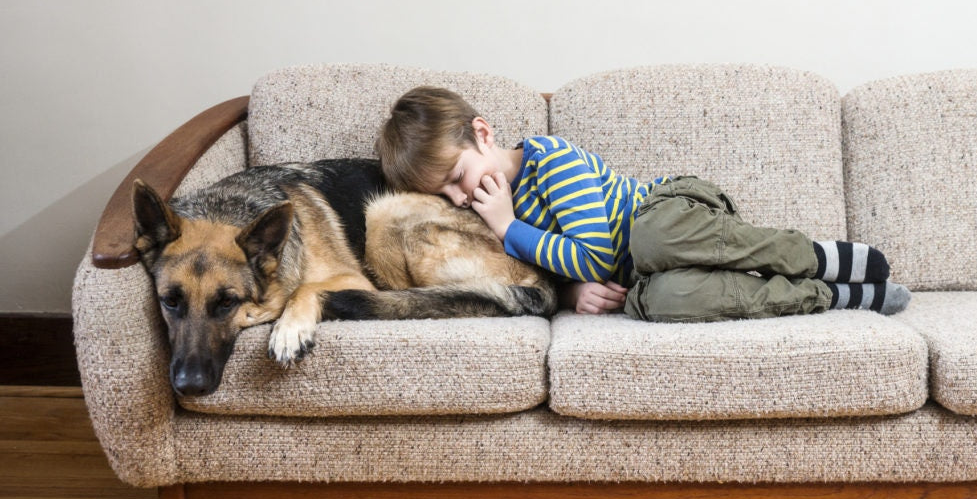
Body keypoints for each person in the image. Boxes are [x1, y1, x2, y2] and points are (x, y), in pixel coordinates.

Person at [376, 86, 910, 321]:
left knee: (648, 238)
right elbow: (560, 275)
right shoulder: (494, 219)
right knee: (663, 302)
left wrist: (510, 227)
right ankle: (826, 296)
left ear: (483, 133)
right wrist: (569, 297)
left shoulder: (549, 161)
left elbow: (598, 256)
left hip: (669, 214)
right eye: (442, 194)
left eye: (458, 176)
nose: (460, 197)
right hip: (645, 278)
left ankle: (813, 257)